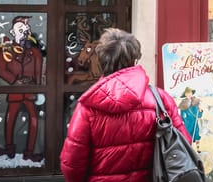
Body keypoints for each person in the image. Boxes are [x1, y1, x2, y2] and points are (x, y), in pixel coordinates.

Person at [60, 28, 190, 182]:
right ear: (135, 60)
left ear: (101, 62)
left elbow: (72, 165)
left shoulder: (88, 106)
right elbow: (183, 144)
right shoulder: (160, 100)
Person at [0, 16, 44, 162]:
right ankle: (9, 147)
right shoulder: (4, 50)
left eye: (26, 30)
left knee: (33, 118)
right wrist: (15, 81)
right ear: (12, 32)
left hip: (30, 89)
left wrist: (39, 87)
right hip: (15, 89)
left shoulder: (34, 52)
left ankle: (30, 151)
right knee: (10, 118)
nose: (24, 32)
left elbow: (38, 71)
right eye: (20, 30)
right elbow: (2, 70)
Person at [179, 86, 203, 152]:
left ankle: (198, 149)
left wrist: (200, 110)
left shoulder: (195, 102)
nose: (189, 94)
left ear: (192, 93)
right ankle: (189, 149)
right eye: (187, 93)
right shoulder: (183, 103)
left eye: (190, 93)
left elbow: (199, 115)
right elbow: (182, 114)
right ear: (185, 94)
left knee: (196, 135)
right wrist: (183, 119)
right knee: (188, 136)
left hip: (194, 122)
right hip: (187, 123)